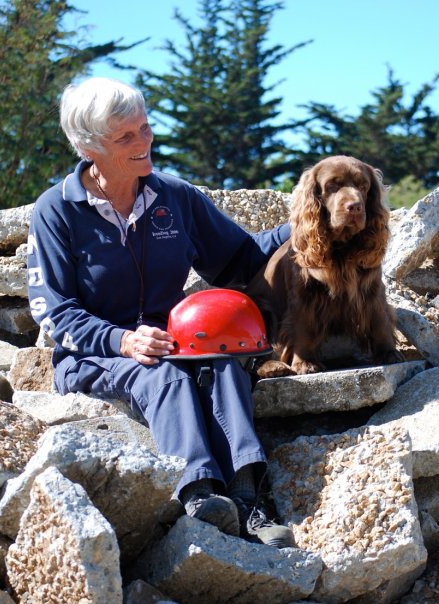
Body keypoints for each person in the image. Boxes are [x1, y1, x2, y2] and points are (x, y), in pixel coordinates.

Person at [27, 77, 296, 548]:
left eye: (145, 128)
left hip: (172, 342)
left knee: (225, 367)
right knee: (164, 378)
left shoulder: (174, 196)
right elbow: (54, 312)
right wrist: (122, 340)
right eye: (126, 136)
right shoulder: (56, 211)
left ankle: (249, 497)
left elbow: (241, 260)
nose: (144, 141)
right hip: (91, 355)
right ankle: (199, 496)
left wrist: (309, 219)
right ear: (90, 147)